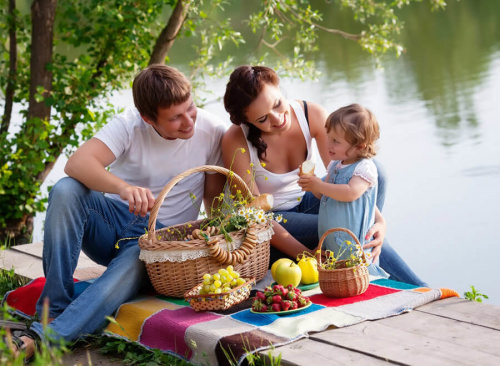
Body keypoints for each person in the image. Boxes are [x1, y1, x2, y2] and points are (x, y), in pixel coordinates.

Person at [10, 64, 227, 361]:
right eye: (175, 117)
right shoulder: (128, 124)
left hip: (162, 246)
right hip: (113, 226)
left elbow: (214, 200)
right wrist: (123, 188)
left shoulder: (213, 130)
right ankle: (53, 308)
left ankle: (41, 337)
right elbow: (76, 164)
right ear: (148, 118)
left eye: (190, 108)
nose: (188, 121)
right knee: (66, 189)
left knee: (137, 255)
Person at [222, 65, 426, 286]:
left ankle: (368, 265)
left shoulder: (311, 114)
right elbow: (256, 218)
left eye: (278, 104)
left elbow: (347, 176)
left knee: (374, 171)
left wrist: (379, 222)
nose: (278, 118)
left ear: (278, 86)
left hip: (310, 201)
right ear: (247, 121)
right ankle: (421, 289)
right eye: (262, 119)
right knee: (349, 231)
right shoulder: (236, 140)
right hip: (276, 224)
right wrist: (308, 256)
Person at [298, 104, 388, 278]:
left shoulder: (364, 168)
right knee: (338, 272)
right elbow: (325, 195)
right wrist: (312, 186)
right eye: (328, 137)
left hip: (353, 240)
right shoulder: (335, 165)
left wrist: (319, 185)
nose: (328, 144)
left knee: (361, 275)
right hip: (333, 237)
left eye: (335, 141)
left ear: (360, 146)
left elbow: (350, 193)